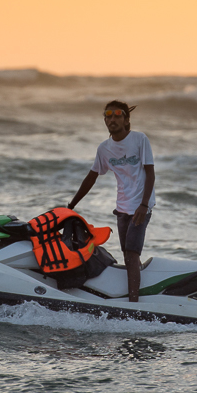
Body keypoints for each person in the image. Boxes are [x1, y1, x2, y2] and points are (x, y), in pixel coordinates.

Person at [68, 100, 155, 302]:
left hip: (141, 206)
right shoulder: (104, 149)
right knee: (127, 254)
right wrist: (72, 205)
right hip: (122, 207)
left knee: (132, 254)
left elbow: (150, 174)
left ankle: (134, 303)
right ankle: (141, 286)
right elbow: (92, 177)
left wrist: (144, 205)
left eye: (117, 115)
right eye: (108, 115)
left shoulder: (140, 139)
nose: (112, 119)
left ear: (126, 119)